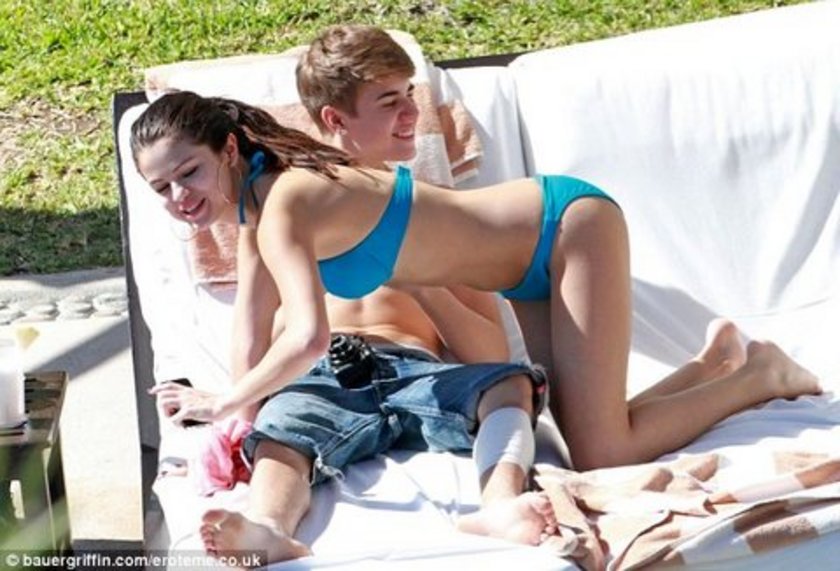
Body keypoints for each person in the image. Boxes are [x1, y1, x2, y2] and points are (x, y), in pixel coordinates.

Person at [133, 40, 820, 467]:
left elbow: (308, 336)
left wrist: (225, 401)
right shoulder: (258, 215)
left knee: (604, 453)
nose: (177, 197)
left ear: (229, 149)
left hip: (563, 226)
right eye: (160, 187)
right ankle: (716, 360)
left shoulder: (286, 200)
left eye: (188, 173)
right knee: (584, 439)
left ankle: (761, 373)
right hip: (522, 268)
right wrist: (234, 421)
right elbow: (251, 332)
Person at [146, 26, 564, 564]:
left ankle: (501, 505)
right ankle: (268, 526)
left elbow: (491, 355)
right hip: (317, 379)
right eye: (389, 103)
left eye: (410, 97)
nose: (410, 114)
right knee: (281, 434)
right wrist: (237, 412)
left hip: (415, 370)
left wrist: (413, 276)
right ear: (336, 120)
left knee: (512, 385)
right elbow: (252, 334)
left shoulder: (436, 211)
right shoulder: (276, 212)